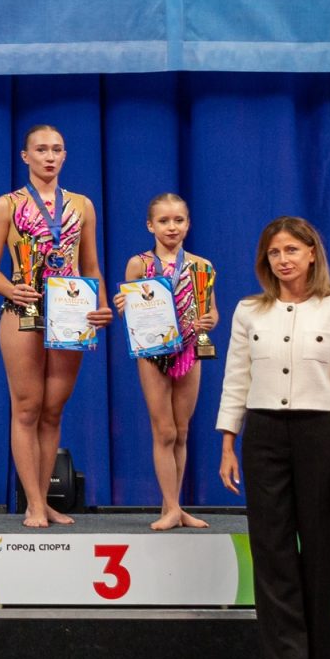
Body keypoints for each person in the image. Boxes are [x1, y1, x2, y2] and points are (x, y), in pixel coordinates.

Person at [216, 217, 330, 659]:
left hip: (319, 435)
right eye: (274, 252)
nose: (283, 260)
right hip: (263, 434)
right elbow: (236, 378)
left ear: (311, 253)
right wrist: (228, 441)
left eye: (291, 250)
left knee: (318, 548)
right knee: (272, 548)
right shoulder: (249, 311)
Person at [0, 124, 112, 528]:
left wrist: (102, 306)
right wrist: (12, 289)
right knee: (27, 408)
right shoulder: (6, 205)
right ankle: (33, 503)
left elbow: (90, 266)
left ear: (65, 155)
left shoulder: (82, 205)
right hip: (23, 312)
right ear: (26, 156)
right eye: (41, 149)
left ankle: (45, 500)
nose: (49, 156)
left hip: (70, 313)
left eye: (57, 149)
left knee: (53, 410)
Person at [114, 193, 220, 530]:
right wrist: (123, 306)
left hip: (189, 350)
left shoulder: (202, 266)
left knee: (182, 431)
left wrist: (209, 321)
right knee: (164, 430)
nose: (171, 227)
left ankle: (172, 507)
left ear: (188, 224)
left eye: (178, 220)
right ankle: (173, 508)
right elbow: (132, 312)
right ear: (150, 225)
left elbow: (212, 311)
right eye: (163, 221)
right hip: (153, 354)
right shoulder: (139, 264)